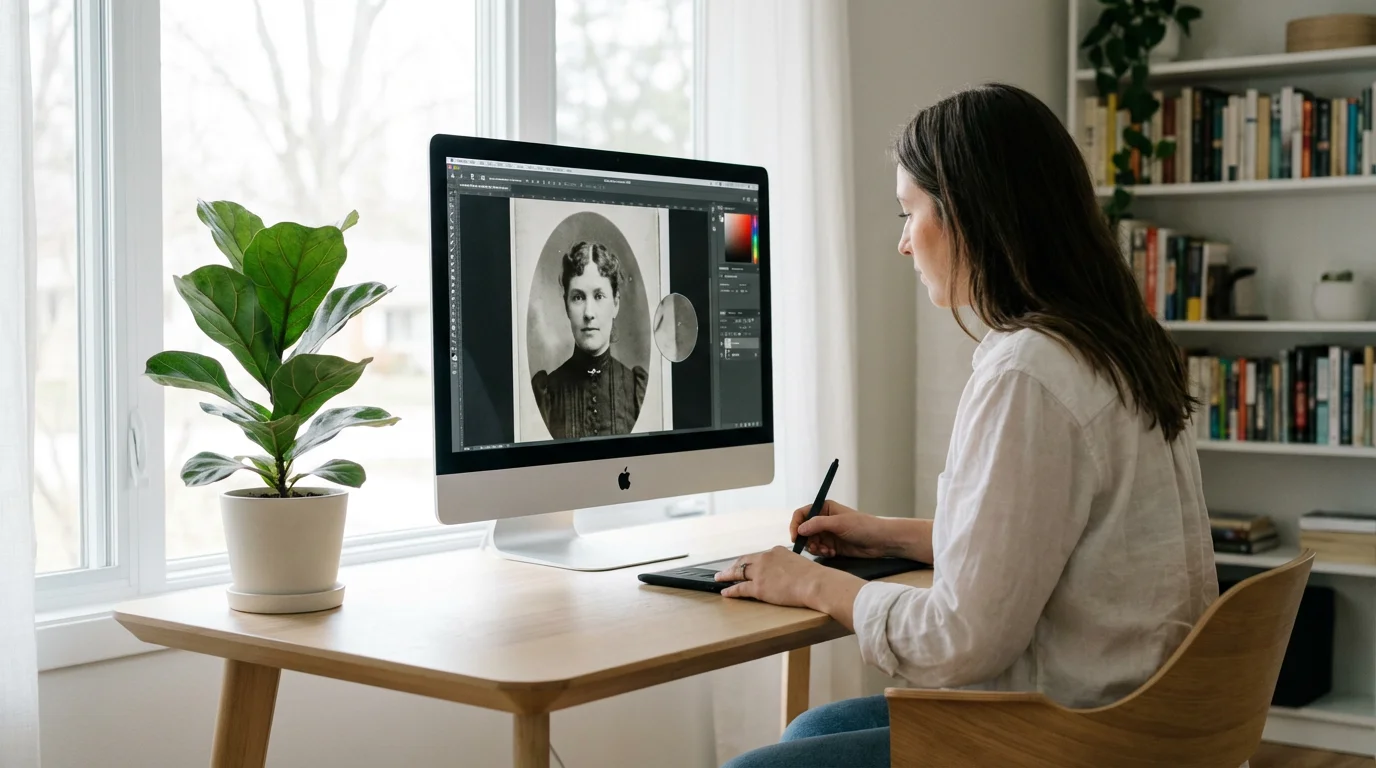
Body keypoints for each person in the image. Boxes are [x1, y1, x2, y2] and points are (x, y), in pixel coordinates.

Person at [716, 83, 1217, 768]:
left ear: (970, 217)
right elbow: (1044, 545)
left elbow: (961, 640)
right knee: (813, 731)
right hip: (1143, 722)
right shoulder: (1117, 347)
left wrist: (808, 583)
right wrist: (882, 534)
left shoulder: (1029, 373)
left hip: (1072, 743)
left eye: (909, 211)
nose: (902, 243)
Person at [533, 241, 647, 438]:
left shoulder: (638, 391)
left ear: (616, 304)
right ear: (566, 305)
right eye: (578, 297)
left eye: (599, 296)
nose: (589, 313)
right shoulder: (546, 395)